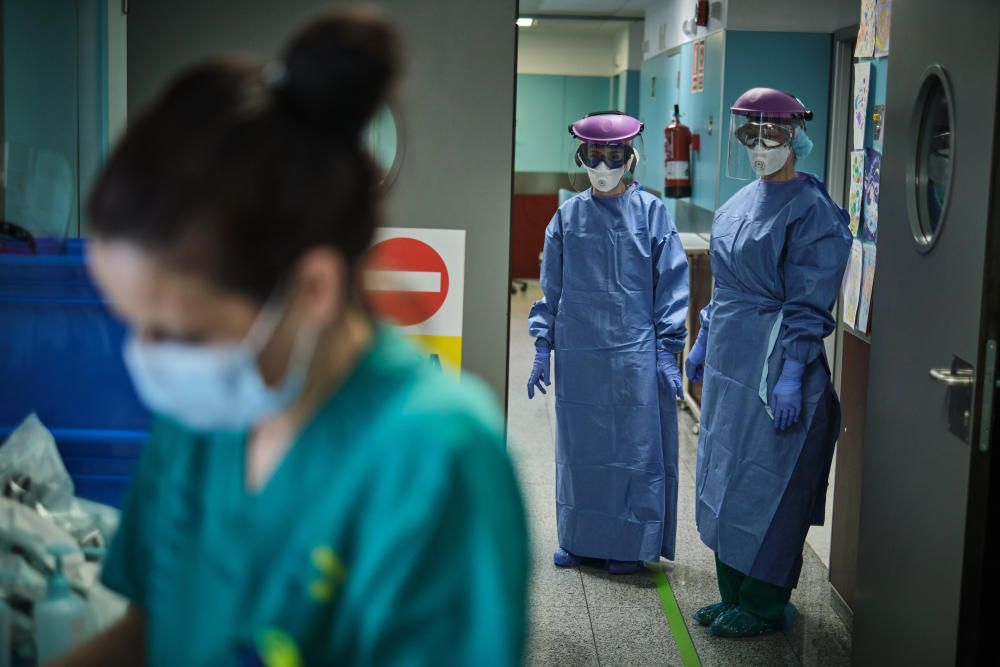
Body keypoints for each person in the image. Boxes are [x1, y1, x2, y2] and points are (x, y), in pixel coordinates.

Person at [51, 11, 528, 666]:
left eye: (180, 331)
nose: (147, 356)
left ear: (311, 290)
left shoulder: (434, 464)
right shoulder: (202, 420)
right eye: (132, 323)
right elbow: (146, 633)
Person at [685, 88, 852, 637]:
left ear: (795, 138)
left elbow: (809, 299)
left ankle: (762, 603)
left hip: (778, 371)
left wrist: (791, 372)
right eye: (748, 136)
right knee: (724, 477)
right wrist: (705, 336)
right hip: (732, 370)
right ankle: (732, 593)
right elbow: (727, 286)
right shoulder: (738, 204)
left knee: (769, 488)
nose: (759, 148)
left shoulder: (814, 212)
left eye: (771, 136)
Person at [527, 111, 689, 575]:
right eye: (593, 156)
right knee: (581, 451)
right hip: (580, 354)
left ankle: (627, 543)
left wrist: (666, 348)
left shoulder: (653, 213)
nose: (602, 166)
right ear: (581, 157)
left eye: (612, 156)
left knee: (633, 448)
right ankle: (579, 539)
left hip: (634, 354)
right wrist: (543, 344)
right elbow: (551, 287)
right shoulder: (567, 216)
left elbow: (672, 282)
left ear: (629, 157)